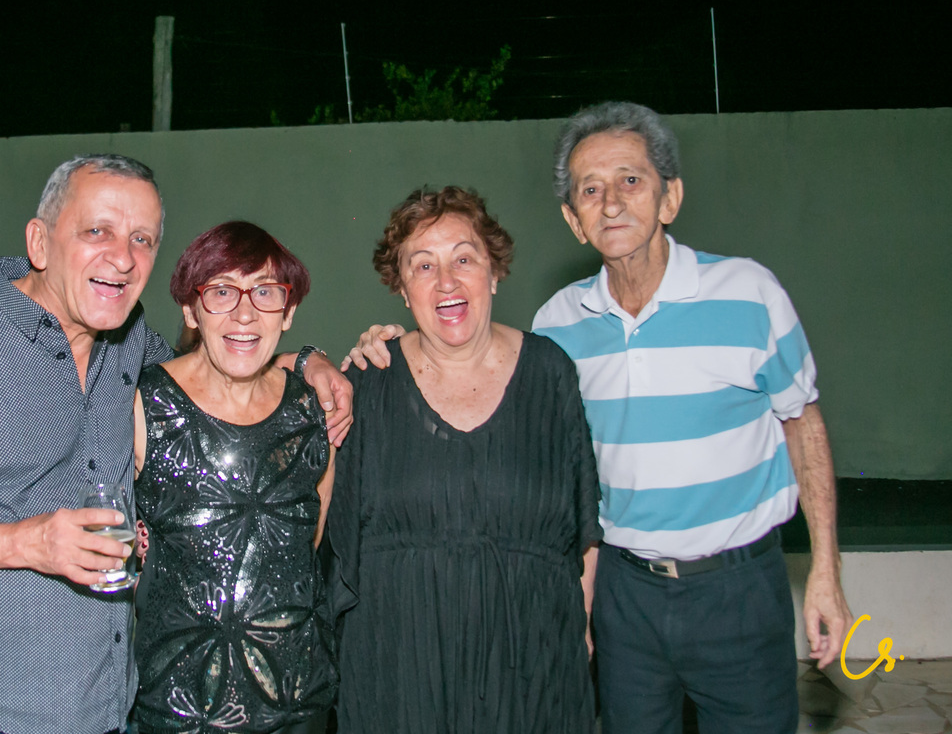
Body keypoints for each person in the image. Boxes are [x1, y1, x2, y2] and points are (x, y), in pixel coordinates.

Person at [348, 103, 853, 734]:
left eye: (630, 180)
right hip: (626, 594)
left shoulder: (750, 294)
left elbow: (803, 425)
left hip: (737, 589)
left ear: (670, 198)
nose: (611, 202)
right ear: (573, 220)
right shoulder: (559, 328)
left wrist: (827, 570)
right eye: (590, 189)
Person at [0, 155, 351, 734]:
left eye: (141, 239)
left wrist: (305, 360)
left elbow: (221, 364)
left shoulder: (130, 345)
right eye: (97, 230)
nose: (123, 257)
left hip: (108, 708)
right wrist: (26, 542)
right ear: (40, 242)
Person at [329, 187, 600, 733]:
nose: (446, 281)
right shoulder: (368, 383)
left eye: (464, 259)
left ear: (493, 272)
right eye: (423, 265)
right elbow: (337, 549)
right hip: (401, 677)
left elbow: (583, 525)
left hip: (533, 672)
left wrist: (581, 631)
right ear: (402, 289)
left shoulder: (551, 372)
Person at [130, 221, 337, 733]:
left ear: (288, 311)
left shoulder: (314, 412)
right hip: (180, 709)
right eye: (222, 291)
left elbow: (306, 549)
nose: (245, 313)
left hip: (300, 705)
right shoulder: (142, 405)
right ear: (191, 309)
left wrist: (311, 360)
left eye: (265, 292)